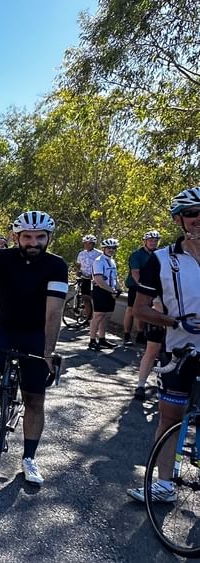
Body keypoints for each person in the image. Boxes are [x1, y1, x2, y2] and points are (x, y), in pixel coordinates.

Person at [0, 211, 68, 485]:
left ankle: (29, 458)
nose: (33, 242)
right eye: (27, 236)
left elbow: (54, 311)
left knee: (35, 400)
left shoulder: (57, 266)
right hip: (4, 329)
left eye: (39, 237)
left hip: (36, 335)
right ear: (17, 237)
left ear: (48, 238)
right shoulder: (2, 259)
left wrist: (48, 352)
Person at [127, 186, 200, 502]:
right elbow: (141, 309)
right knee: (170, 417)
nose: (199, 220)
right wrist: (174, 322)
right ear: (179, 220)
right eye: (191, 213)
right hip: (179, 351)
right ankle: (164, 484)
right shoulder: (160, 259)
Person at [124, 231, 161, 345]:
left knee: (144, 310)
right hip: (136, 286)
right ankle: (126, 334)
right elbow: (135, 273)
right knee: (131, 309)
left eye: (155, 241)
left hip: (152, 287)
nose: (153, 243)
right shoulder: (137, 255)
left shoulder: (159, 254)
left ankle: (140, 334)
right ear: (145, 242)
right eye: (150, 241)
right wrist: (141, 286)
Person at [88, 238, 120, 351]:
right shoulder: (98, 261)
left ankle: (102, 339)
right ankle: (92, 340)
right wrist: (112, 291)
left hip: (110, 291)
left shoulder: (112, 261)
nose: (111, 250)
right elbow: (98, 280)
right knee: (98, 316)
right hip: (100, 291)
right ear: (104, 249)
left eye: (113, 248)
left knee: (106, 317)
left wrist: (118, 288)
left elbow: (114, 277)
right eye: (109, 248)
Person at [134, 300, 165, 401]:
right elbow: (157, 302)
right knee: (152, 352)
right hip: (159, 317)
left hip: (185, 323)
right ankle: (141, 385)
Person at [75, 235, 101, 324]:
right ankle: (88, 318)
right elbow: (78, 264)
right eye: (85, 243)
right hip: (85, 278)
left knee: (95, 299)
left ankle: (95, 319)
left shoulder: (99, 253)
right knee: (86, 298)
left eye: (88, 243)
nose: (86, 245)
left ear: (93, 244)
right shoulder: (81, 253)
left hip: (95, 279)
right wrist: (78, 272)